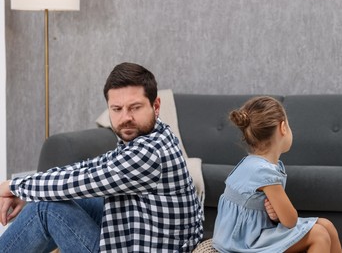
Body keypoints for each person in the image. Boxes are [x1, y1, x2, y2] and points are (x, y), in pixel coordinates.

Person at [0, 62, 203, 252]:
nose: (126, 118)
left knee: (46, 207)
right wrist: (26, 189)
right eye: (117, 109)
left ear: (156, 106)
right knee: (57, 196)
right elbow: (91, 169)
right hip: (136, 236)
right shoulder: (154, 135)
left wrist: (14, 186)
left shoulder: (149, 153)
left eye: (135, 107)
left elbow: (81, 182)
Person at [212, 96, 342, 253]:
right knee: (319, 234)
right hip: (242, 243)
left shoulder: (249, 163)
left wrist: (274, 215)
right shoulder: (265, 173)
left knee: (326, 225)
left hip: (242, 235)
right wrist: (280, 215)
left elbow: (254, 210)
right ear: (283, 128)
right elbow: (290, 220)